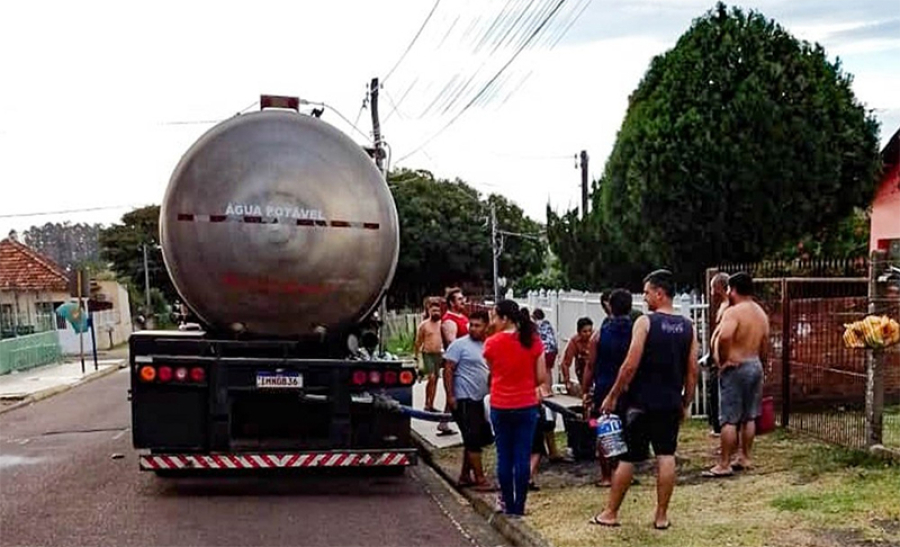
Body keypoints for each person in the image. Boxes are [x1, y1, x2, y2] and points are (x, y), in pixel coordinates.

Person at [593, 269, 699, 530]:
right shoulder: (688, 326)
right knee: (666, 455)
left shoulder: (645, 322)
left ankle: (610, 513)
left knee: (628, 459)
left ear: (660, 293)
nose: (644, 297)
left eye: (648, 292)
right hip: (670, 402)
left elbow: (630, 365)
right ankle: (661, 516)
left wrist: (613, 395)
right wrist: (686, 402)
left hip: (640, 403)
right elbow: (692, 369)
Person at [483, 299, 548, 517]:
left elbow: (492, 372)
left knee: (504, 456)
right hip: (526, 404)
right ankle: (519, 506)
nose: (492, 321)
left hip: (500, 404)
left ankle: (508, 504)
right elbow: (540, 377)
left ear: (504, 318)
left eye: (494, 316)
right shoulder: (533, 341)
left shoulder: (491, 343)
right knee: (522, 456)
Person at [705, 272, 769, 477]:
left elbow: (724, 336)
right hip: (754, 364)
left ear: (732, 290)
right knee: (749, 416)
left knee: (729, 419)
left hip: (736, 367)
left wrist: (723, 360)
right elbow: (765, 343)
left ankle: (724, 463)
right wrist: (762, 364)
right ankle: (745, 457)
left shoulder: (734, 312)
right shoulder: (760, 312)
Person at [582, 289, 633, 487]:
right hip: (629, 389)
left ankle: (606, 475)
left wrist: (586, 390)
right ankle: (625, 470)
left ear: (609, 306)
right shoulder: (637, 331)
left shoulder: (599, 335)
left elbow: (590, 365)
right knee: (626, 430)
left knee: (600, 427)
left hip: (604, 388)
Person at [444, 310, 495, 491]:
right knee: (472, 438)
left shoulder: (489, 345)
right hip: (464, 399)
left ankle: (465, 475)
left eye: (477, 325)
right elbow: (448, 369)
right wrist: (450, 395)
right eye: (471, 325)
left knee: (476, 437)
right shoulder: (459, 345)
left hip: (482, 399)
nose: (473, 329)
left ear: (486, 327)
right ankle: (480, 479)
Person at [438, 287, 469, 436]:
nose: (463, 301)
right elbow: (452, 343)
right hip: (457, 363)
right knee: (455, 393)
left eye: (463, 298)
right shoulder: (449, 321)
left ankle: (444, 423)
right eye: (459, 299)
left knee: (455, 393)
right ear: (451, 302)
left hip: (465, 361)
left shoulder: (462, 317)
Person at [706, 272, 731, 436]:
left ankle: (721, 426)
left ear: (718, 288)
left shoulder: (729, 306)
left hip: (724, 359)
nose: (710, 293)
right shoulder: (722, 305)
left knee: (718, 391)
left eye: (712, 289)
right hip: (716, 357)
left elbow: (726, 334)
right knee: (713, 390)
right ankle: (716, 425)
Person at [415, 299, 445, 416]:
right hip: (427, 354)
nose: (436, 312)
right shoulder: (424, 325)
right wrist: (417, 358)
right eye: (433, 310)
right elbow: (418, 342)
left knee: (436, 380)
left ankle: (430, 404)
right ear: (429, 311)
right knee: (431, 378)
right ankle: (427, 403)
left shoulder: (442, 324)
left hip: (438, 354)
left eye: (438, 310)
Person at [560, 317, 594, 393]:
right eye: (584, 332)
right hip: (582, 370)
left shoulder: (595, 338)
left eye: (590, 331)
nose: (588, 334)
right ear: (579, 332)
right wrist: (567, 381)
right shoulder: (574, 342)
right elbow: (565, 363)